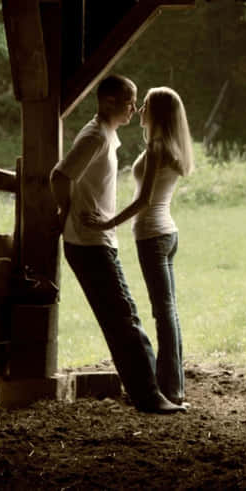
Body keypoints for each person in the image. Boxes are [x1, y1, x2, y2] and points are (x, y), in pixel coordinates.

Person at [50, 75, 185, 414]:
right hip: (89, 240)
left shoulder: (108, 136)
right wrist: (65, 212)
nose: (134, 108)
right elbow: (60, 175)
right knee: (125, 318)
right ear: (108, 102)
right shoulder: (96, 136)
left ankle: (148, 391)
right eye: (129, 101)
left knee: (121, 318)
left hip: (99, 239)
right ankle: (151, 396)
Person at [83, 86, 194, 407]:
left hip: (153, 237)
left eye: (144, 104)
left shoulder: (159, 147)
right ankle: (172, 384)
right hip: (166, 234)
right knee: (167, 312)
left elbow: (143, 201)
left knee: (164, 313)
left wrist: (105, 223)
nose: (139, 109)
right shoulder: (169, 146)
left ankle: (170, 389)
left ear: (156, 112)